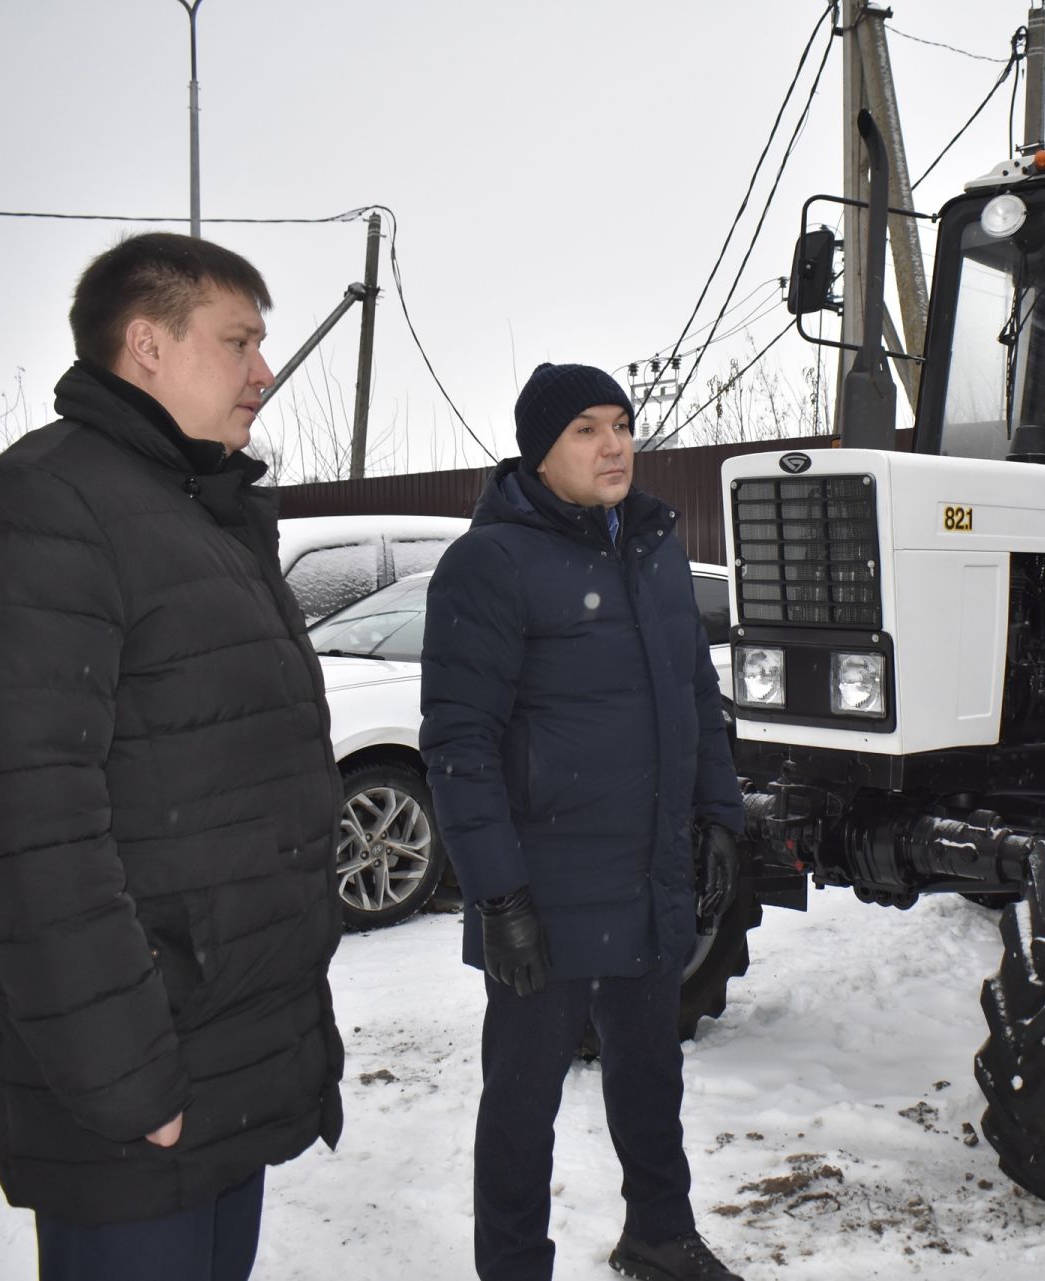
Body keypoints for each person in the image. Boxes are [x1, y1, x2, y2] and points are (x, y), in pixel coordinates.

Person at [0, 232, 345, 1281]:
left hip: (222, 1057)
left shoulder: (199, 510)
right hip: (135, 1087)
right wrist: (129, 1082)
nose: (264, 371)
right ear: (148, 346)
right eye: (240, 340)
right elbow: (28, 835)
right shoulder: (45, 510)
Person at [421, 362, 747, 1281]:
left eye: (621, 423)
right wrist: (500, 895)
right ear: (540, 450)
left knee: (652, 1077)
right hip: (546, 886)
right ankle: (514, 1266)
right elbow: (458, 740)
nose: (613, 445)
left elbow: (694, 691)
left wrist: (719, 814)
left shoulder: (652, 545)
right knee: (522, 1104)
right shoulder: (490, 562)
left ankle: (659, 1233)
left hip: (647, 874)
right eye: (586, 430)